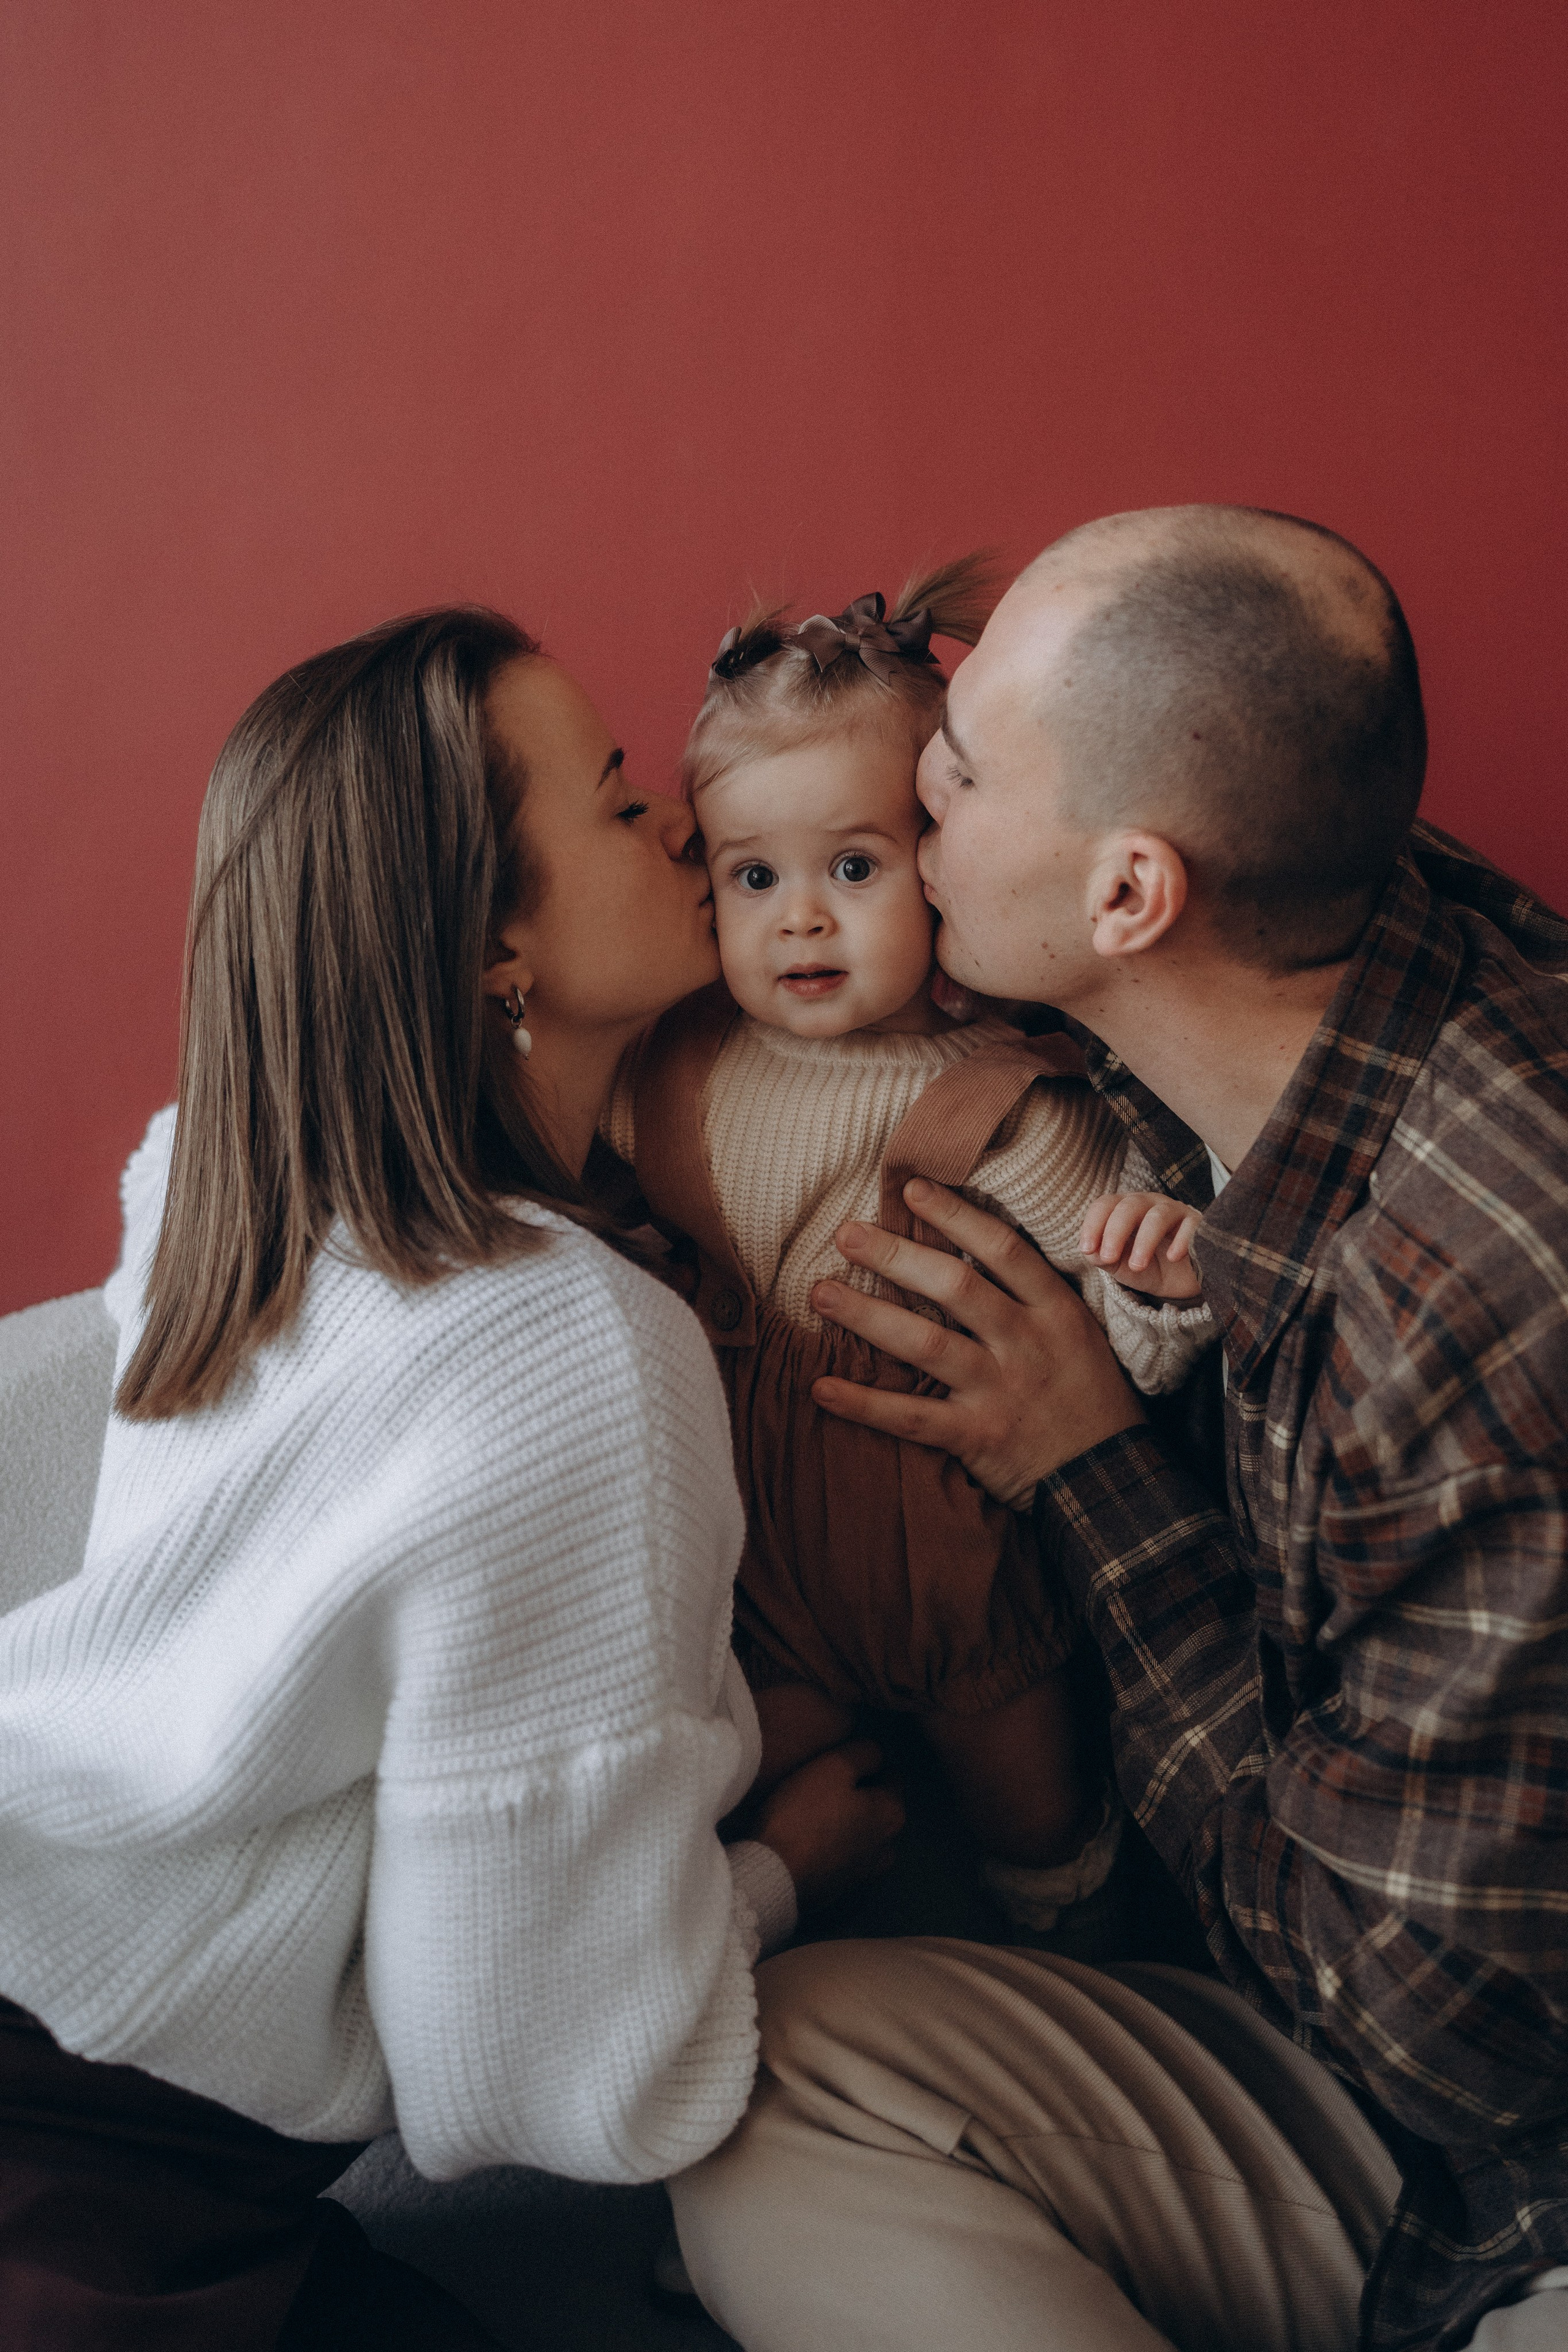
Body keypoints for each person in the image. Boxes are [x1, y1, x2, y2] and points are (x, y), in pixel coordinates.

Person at [669, 507, 1568, 2352]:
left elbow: (1421, 2021)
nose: (919, 778)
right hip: (1378, 2025)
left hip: (1508, 2155)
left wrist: (1088, 1470)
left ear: (1130, 893)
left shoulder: (1474, 1305)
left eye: (965, 770)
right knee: (755, 2084)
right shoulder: (1308, 936)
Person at [0, 608, 901, 2347]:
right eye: (625, 801)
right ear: (499, 943)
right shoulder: (570, 1346)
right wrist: (782, 1871)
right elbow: (534, 2069)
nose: (687, 838)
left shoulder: (219, 1193)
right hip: (90, 2204)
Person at [605, 557, 1211, 1944]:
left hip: (947, 1561)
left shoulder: (999, 1098)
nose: (800, 917)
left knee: (1029, 1804)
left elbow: (1123, 1314)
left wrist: (1155, 1281)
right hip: (752, 1562)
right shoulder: (673, 1066)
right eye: (754, 875)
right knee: (730, 1767)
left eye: (854, 868)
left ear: (933, 865)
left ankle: (1070, 1942)